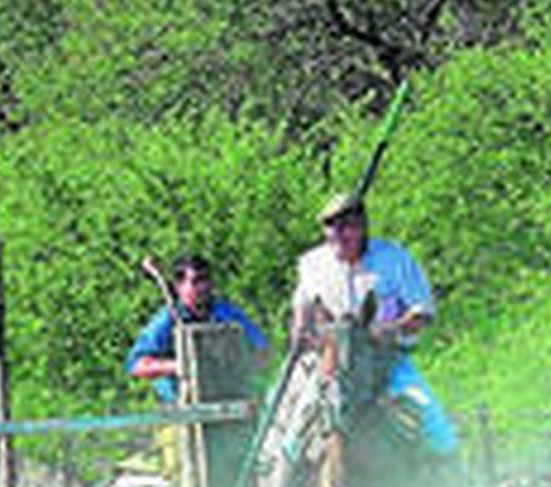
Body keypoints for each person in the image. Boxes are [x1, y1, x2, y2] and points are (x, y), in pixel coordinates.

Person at [290, 192, 458, 455]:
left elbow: (423, 312)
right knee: (294, 435)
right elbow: (301, 317)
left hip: (387, 364)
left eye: (346, 227)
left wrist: (391, 329)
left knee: (437, 427)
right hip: (331, 369)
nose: (338, 234)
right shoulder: (312, 264)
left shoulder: (394, 258)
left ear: (362, 227)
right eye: (331, 227)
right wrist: (307, 337)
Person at [126, 254, 270, 405]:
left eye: (206, 279)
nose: (203, 287)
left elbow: (263, 349)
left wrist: (241, 364)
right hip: (180, 406)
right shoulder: (167, 320)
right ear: (179, 287)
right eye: (196, 281)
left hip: (229, 400)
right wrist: (179, 365)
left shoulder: (227, 313)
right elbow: (137, 365)